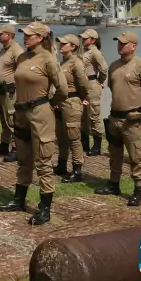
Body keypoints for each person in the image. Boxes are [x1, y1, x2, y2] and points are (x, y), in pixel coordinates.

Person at [0, 23, 67, 225]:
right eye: (24, 35)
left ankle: (45, 208)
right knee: (23, 158)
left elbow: (61, 89)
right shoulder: (22, 57)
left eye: (29, 35)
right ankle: (19, 199)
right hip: (21, 112)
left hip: (40, 112)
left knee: (43, 161)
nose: (25, 38)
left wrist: (49, 104)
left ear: (40, 37)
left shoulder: (48, 59)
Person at [95, 31, 141, 207]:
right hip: (115, 117)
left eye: (124, 43)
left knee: (136, 156)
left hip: (133, 120)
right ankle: (113, 184)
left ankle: (138, 190)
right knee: (114, 155)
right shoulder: (114, 66)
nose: (120, 46)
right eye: (118, 43)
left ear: (133, 46)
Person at [54, 34, 89, 183]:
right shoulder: (63, 62)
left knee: (74, 137)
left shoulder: (76, 63)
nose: (60, 46)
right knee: (61, 137)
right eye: (60, 44)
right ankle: (62, 164)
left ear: (73, 47)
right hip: (61, 102)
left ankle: (77, 170)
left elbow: (83, 84)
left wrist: (81, 98)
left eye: (64, 44)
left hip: (72, 101)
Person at [0, 24, 22, 162]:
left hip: (10, 90)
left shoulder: (17, 50)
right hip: (1, 89)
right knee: (3, 119)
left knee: (12, 119)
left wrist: (12, 84)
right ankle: (4, 144)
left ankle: (17, 148)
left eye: (1, 34)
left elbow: (21, 71)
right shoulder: (4, 50)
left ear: (9, 35)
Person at [80, 29, 108, 156]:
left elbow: (103, 69)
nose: (83, 39)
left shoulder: (95, 53)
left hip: (92, 83)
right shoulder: (85, 52)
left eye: (85, 38)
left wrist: (99, 81)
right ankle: (84, 142)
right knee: (83, 115)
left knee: (93, 115)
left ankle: (97, 145)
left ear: (92, 40)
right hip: (84, 84)